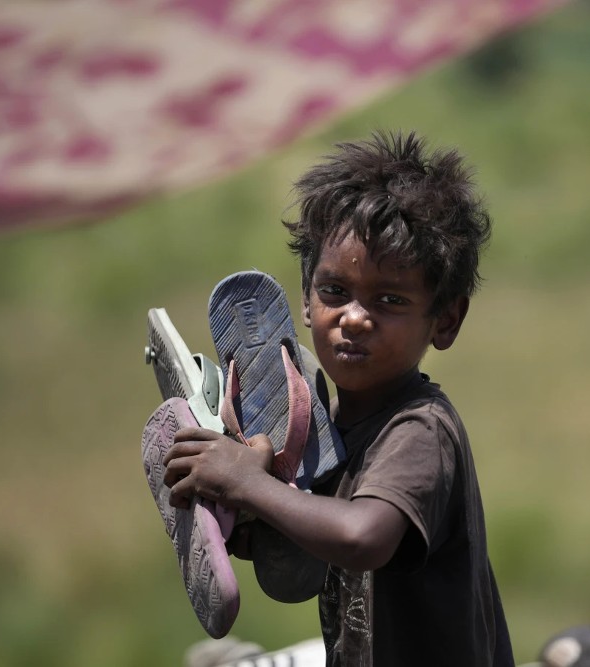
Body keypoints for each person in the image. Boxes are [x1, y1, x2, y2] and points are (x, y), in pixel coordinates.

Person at [163, 130, 513, 666]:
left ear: (445, 319)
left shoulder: (419, 430)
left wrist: (247, 482)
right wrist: (251, 520)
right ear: (304, 299)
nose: (354, 317)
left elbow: (362, 537)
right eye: (333, 292)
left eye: (390, 300)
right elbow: (321, 539)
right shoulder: (333, 433)